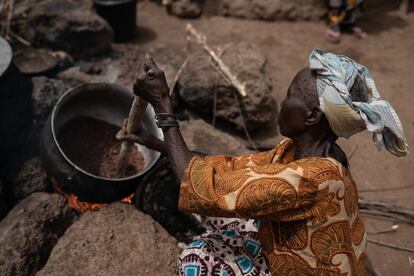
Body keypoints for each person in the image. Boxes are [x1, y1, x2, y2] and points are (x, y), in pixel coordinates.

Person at [118, 50, 408, 275]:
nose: (282, 103)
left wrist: (162, 104)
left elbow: (197, 187)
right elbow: (231, 169)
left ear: (312, 117)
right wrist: (156, 143)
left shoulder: (310, 178)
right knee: (221, 205)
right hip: (284, 247)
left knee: (197, 256)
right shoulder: (310, 154)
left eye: (290, 95)